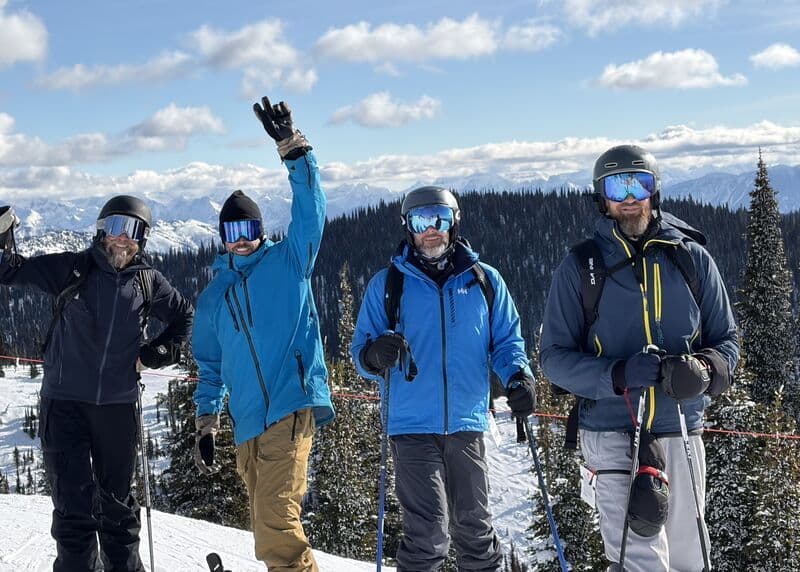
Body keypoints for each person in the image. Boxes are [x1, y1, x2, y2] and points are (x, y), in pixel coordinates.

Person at [539, 144, 739, 572]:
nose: (630, 196)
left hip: (681, 426)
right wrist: (616, 374)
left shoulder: (690, 258)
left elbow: (728, 341)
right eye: (617, 185)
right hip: (610, 429)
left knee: (689, 558)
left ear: (655, 190)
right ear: (602, 197)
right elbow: (553, 359)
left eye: (639, 183)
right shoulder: (581, 266)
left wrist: (702, 371)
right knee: (640, 561)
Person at [0, 196, 193, 571]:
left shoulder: (148, 281)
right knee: (73, 512)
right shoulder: (73, 268)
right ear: (102, 230)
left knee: (118, 511)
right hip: (64, 404)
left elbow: (184, 316)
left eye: (135, 231)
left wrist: (159, 352)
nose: (124, 239)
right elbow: (9, 271)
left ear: (144, 240)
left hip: (117, 409)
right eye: (117, 227)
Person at [351, 186, 536, 572]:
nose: (431, 230)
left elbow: (505, 342)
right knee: (428, 534)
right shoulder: (388, 285)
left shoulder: (484, 281)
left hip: (466, 424)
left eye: (440, 219)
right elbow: (361, 353)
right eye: (421, 221)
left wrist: (518, 377)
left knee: (475, 530)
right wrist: (374, 354)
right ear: (408, 227)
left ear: (454, 222)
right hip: (411, 425)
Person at [192, 96, 334, 572]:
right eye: (231, 229)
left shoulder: (289, 262)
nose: (241, 238)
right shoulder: (215, 297)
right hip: (248, 425)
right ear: (221, 235)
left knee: (276, 526)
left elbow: (311, 210)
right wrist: (207, 423)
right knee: (267, 527)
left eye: (248, 226)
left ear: (260, 227)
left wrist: (293, 148)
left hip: (290, 408)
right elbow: (210, 368)